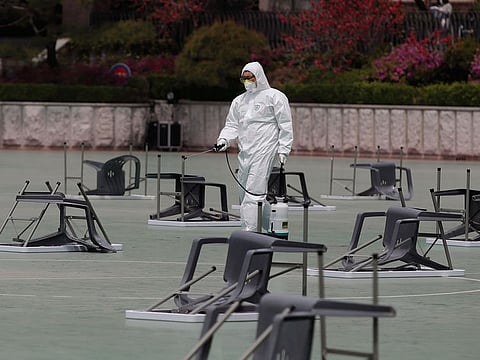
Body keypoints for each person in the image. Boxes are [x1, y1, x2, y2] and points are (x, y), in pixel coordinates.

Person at [214, 61, 293, 232]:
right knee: (245, 194)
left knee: (253, 193)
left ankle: (249, 232)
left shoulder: (275, 96)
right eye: (244, 79)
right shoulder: (239, 101)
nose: (247, 81)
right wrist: (224, 140)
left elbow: (285, 124)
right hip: (245, 153)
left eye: (250, 78)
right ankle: (272, 225)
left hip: (265, 150)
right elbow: (232, 125)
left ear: (259, 76)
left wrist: (284, 149)